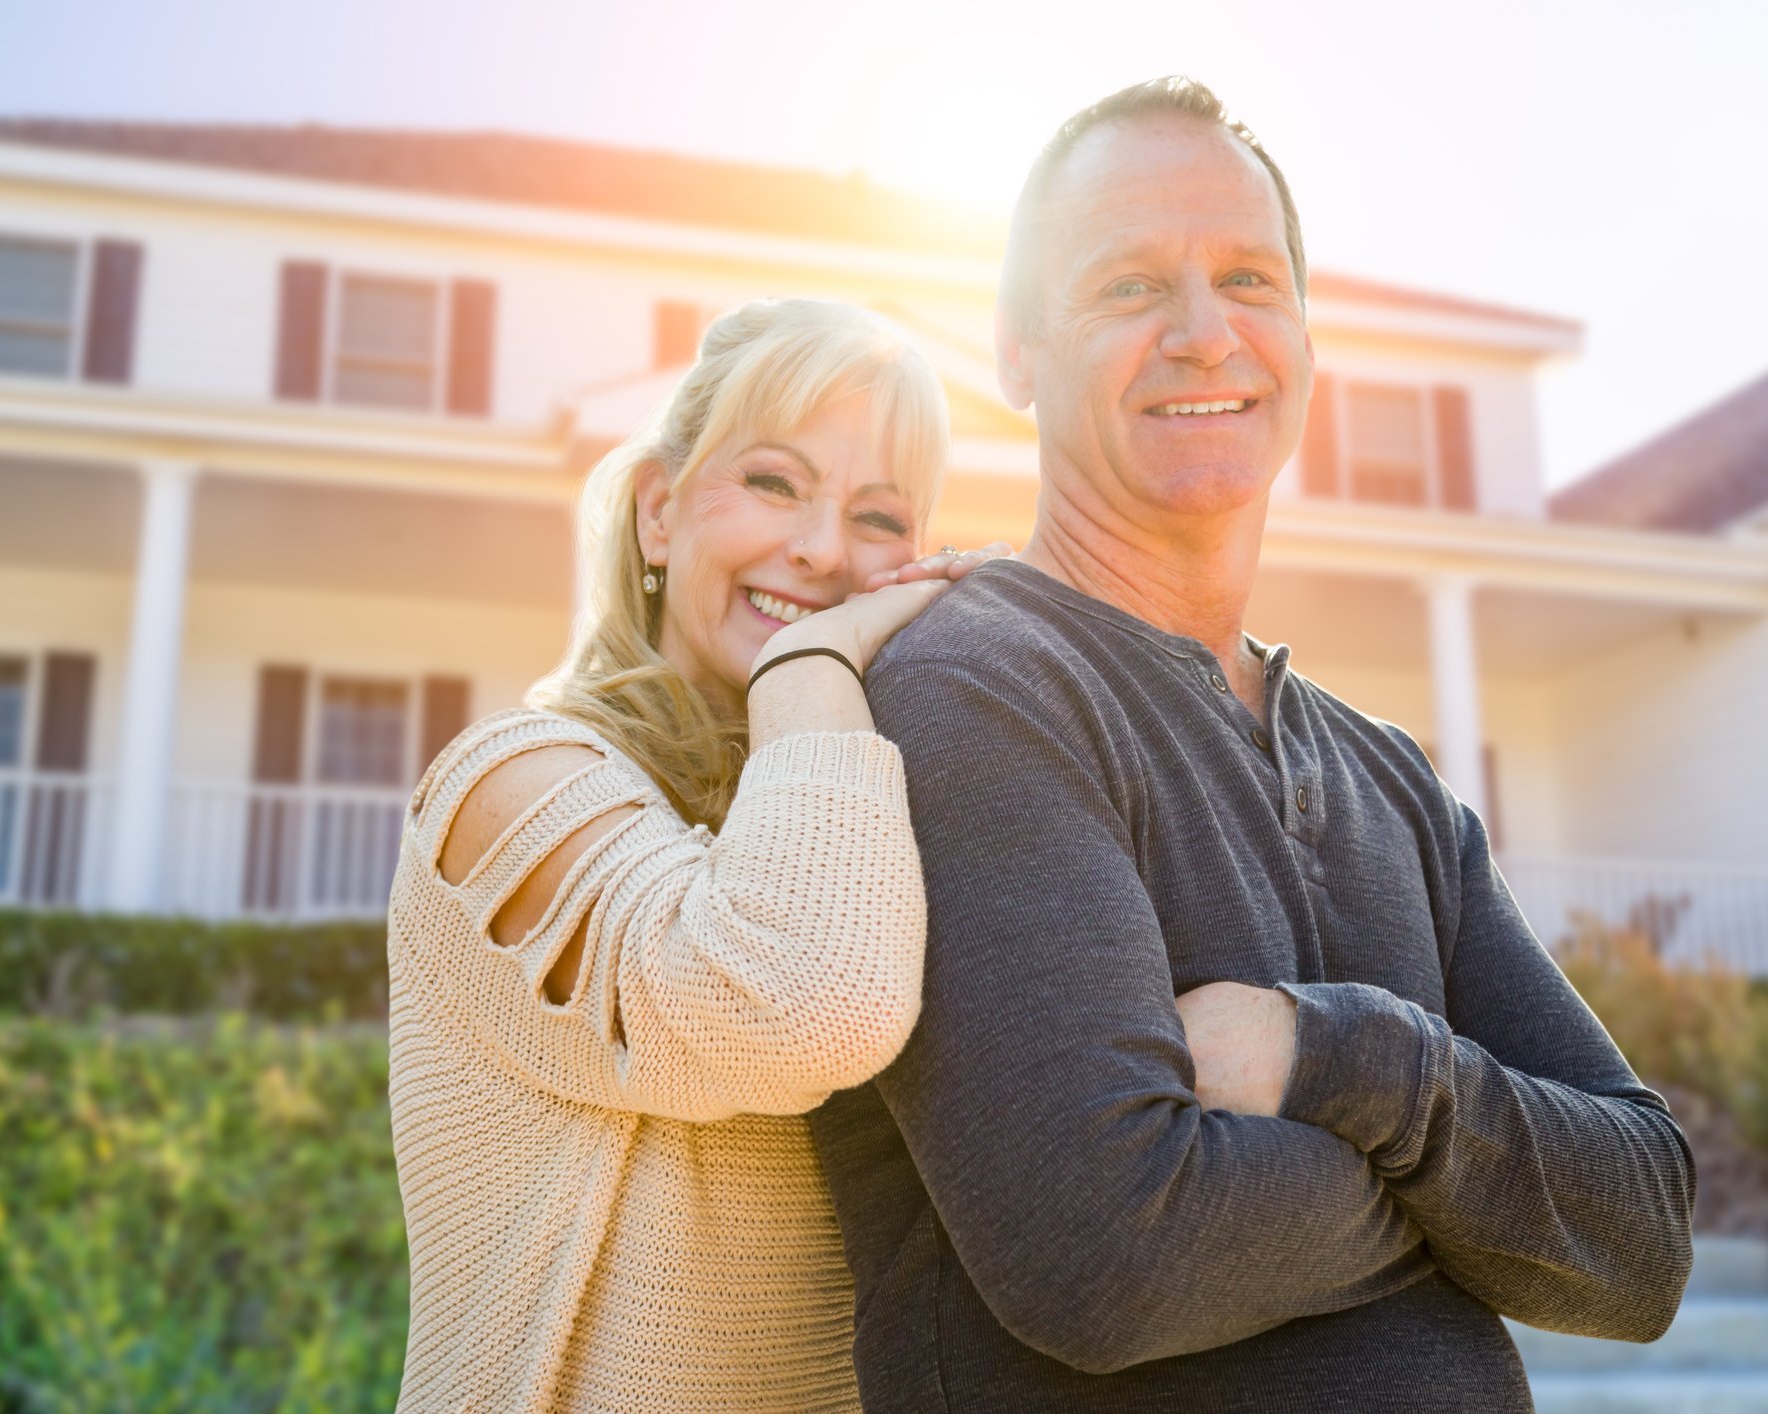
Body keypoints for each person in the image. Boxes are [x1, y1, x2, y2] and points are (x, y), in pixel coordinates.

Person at [809, 76, 1696, 1411]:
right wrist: (1479, 1215)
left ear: (1304, 336)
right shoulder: (976, 692)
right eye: (1126, 287)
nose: (1204, 333)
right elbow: (1110, 1253)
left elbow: (1643, 1235)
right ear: (1014, 353)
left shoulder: (1391, 779)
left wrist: (1336, 1057)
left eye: (1248, 279)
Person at [386, 297, 999, 1411]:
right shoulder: (510, 787)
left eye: (879, 517)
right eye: (773, 483)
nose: (821, 549)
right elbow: (805, 1004)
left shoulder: (877, 829)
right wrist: (817, 662)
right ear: (660, 513)